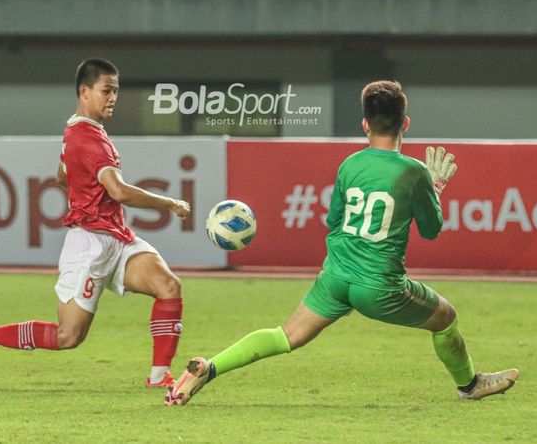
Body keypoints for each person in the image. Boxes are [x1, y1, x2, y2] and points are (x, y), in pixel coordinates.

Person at [166, 80, 518, 406]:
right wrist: (436, 187)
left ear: (365, 124)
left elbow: (334, 221)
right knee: (446, 318)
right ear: (405, 124)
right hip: (379, 287)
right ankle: (470, 386)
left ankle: (209, 368)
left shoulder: (350, 165)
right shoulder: (414, 172)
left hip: (335, 277)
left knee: (286, 335)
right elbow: (430, 230)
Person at [0, 58, 192, 388]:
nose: (113, 98)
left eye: (116, 92)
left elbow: (61, 176)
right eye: (106, 91)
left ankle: (158, 377)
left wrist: (84, 198)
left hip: (117, 238)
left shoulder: (79, 131)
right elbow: (120, 191)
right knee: (68, 336)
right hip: (90, 246)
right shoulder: (89, 139)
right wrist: (171, 203)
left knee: (169, 287)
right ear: (85, 91)